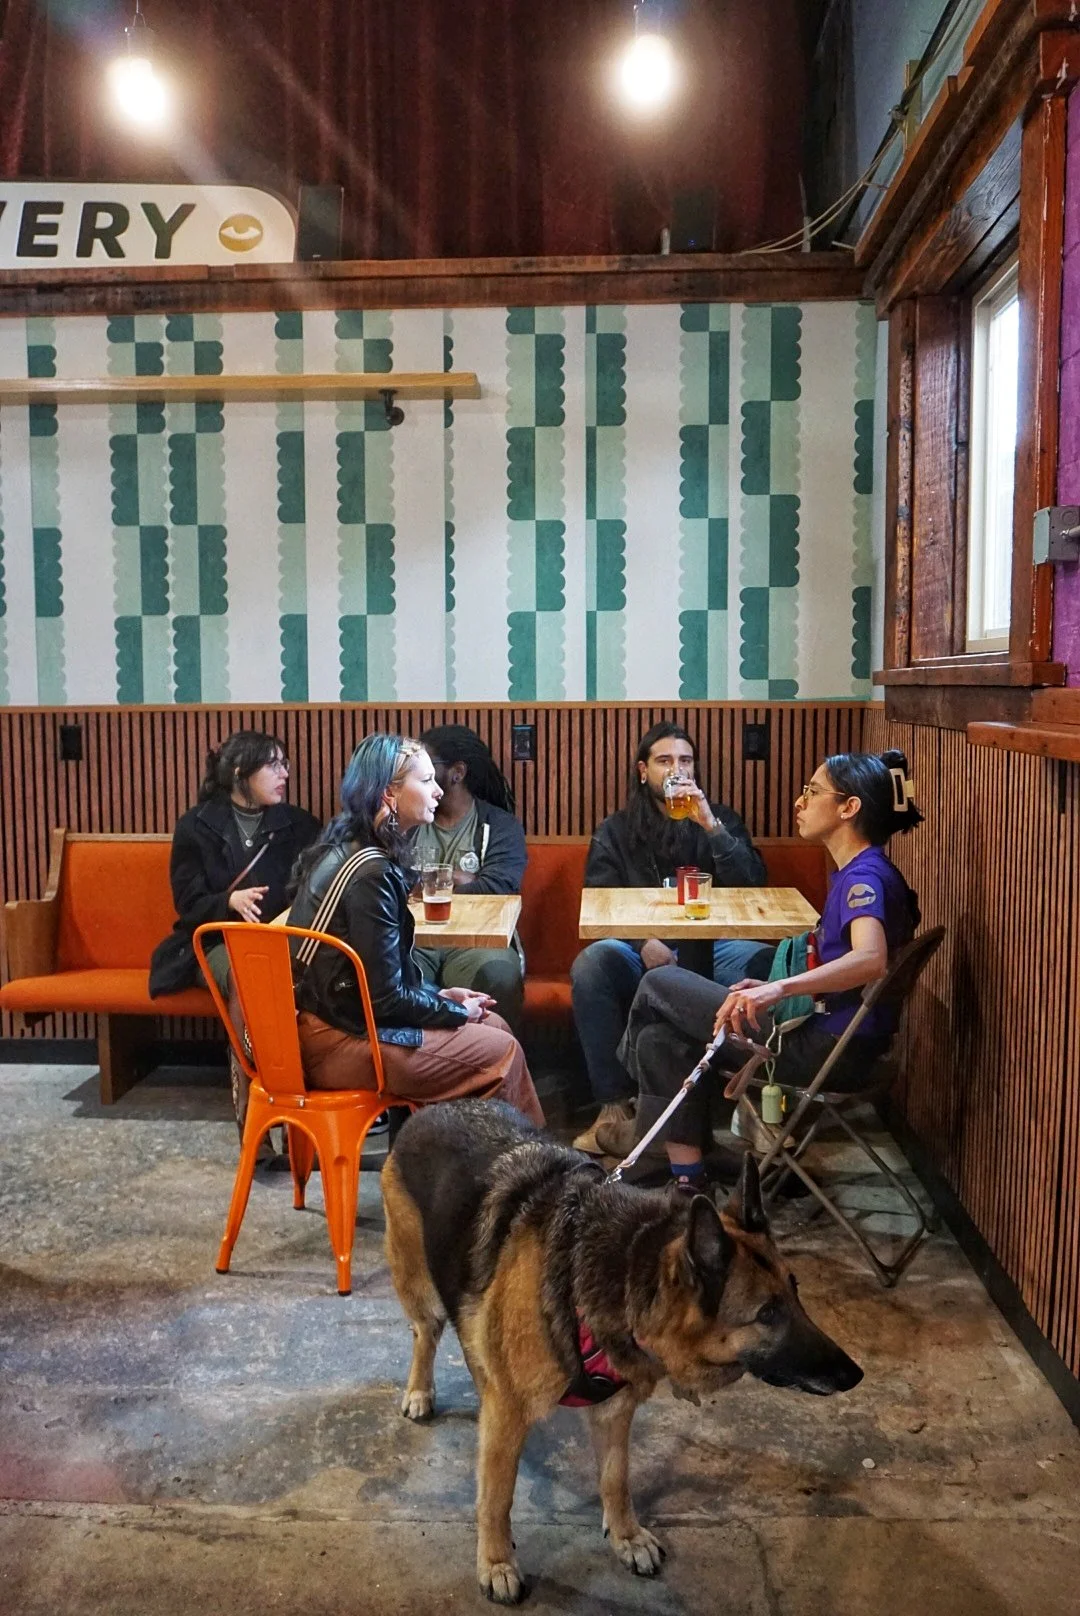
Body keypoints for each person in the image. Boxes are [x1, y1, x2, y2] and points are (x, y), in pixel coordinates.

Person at [610, 749, 924, 1193]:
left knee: (658, 982)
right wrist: (773, 984)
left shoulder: (864, 878)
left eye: (812, 791)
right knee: (658, 1039)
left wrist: (777, 991)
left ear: (848, 808)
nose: (800, 801)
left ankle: (638, 1116)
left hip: (820, 1048)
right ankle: (690, 1177)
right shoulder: (863, 870)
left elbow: (870, 958)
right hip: (830, 1037)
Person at [287, 733, 543, 1124]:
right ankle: (516, 1159)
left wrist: (439, 995)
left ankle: (463, 1155)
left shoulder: (354, 850)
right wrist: (453, 1008)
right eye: (425, 781)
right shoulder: (372, 873)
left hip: (340, 1022)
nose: (438, 790)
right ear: (389, 794)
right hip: (335, 1041)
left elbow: (377, 985)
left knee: (495, 1024)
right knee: (502, 1052)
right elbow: (385, 1000)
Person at [570, 721, 767, 1153]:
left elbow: (754, 887)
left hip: (715, 946)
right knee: (593, 963)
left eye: (685, 761)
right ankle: (614, 1107)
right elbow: (599, 904)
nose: (677, 770)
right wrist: (642, 942)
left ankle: (755, 1104)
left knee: (768, 962)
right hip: (641, 948)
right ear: (643, 771)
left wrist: (711, 826)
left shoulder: (720, 820)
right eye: (664, 761)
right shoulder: (615, 831)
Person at [148, 730, 321, 1160]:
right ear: (241, 773)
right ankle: (255, 1123)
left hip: (284, 940)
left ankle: (298, 1117)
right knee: (248, 978)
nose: (284, 774)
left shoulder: (300, 826)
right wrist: (228, 901)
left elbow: (315, 890)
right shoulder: (196, 826)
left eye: (284, 764)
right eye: (273, 765)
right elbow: (188, 903)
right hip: (218, 940)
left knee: (304, 980)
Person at [410, 724, 527, 1030]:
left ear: (457, 772)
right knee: (385, 971)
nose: (417, 773)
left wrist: (430, 883)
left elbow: (498, 888)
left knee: (499, 973)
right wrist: (463, 878)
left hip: (477, 941)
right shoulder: (408, 820)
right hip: (413, 940)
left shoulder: (499, 825)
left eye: (427, 765)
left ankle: (499, 1056)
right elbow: (392, 882)